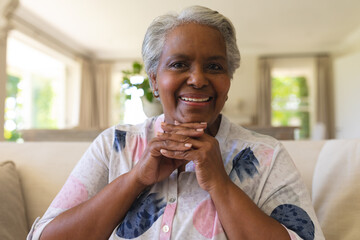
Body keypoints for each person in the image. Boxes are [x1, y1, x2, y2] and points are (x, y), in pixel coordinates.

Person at [28, 5, 324, 240]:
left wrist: (220, 184)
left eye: (214, 66)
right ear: (154, 80)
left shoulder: (265, 155)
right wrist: (136, 179)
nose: (197, 79)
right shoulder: (114, 144)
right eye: (179, 64)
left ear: (228, 79)